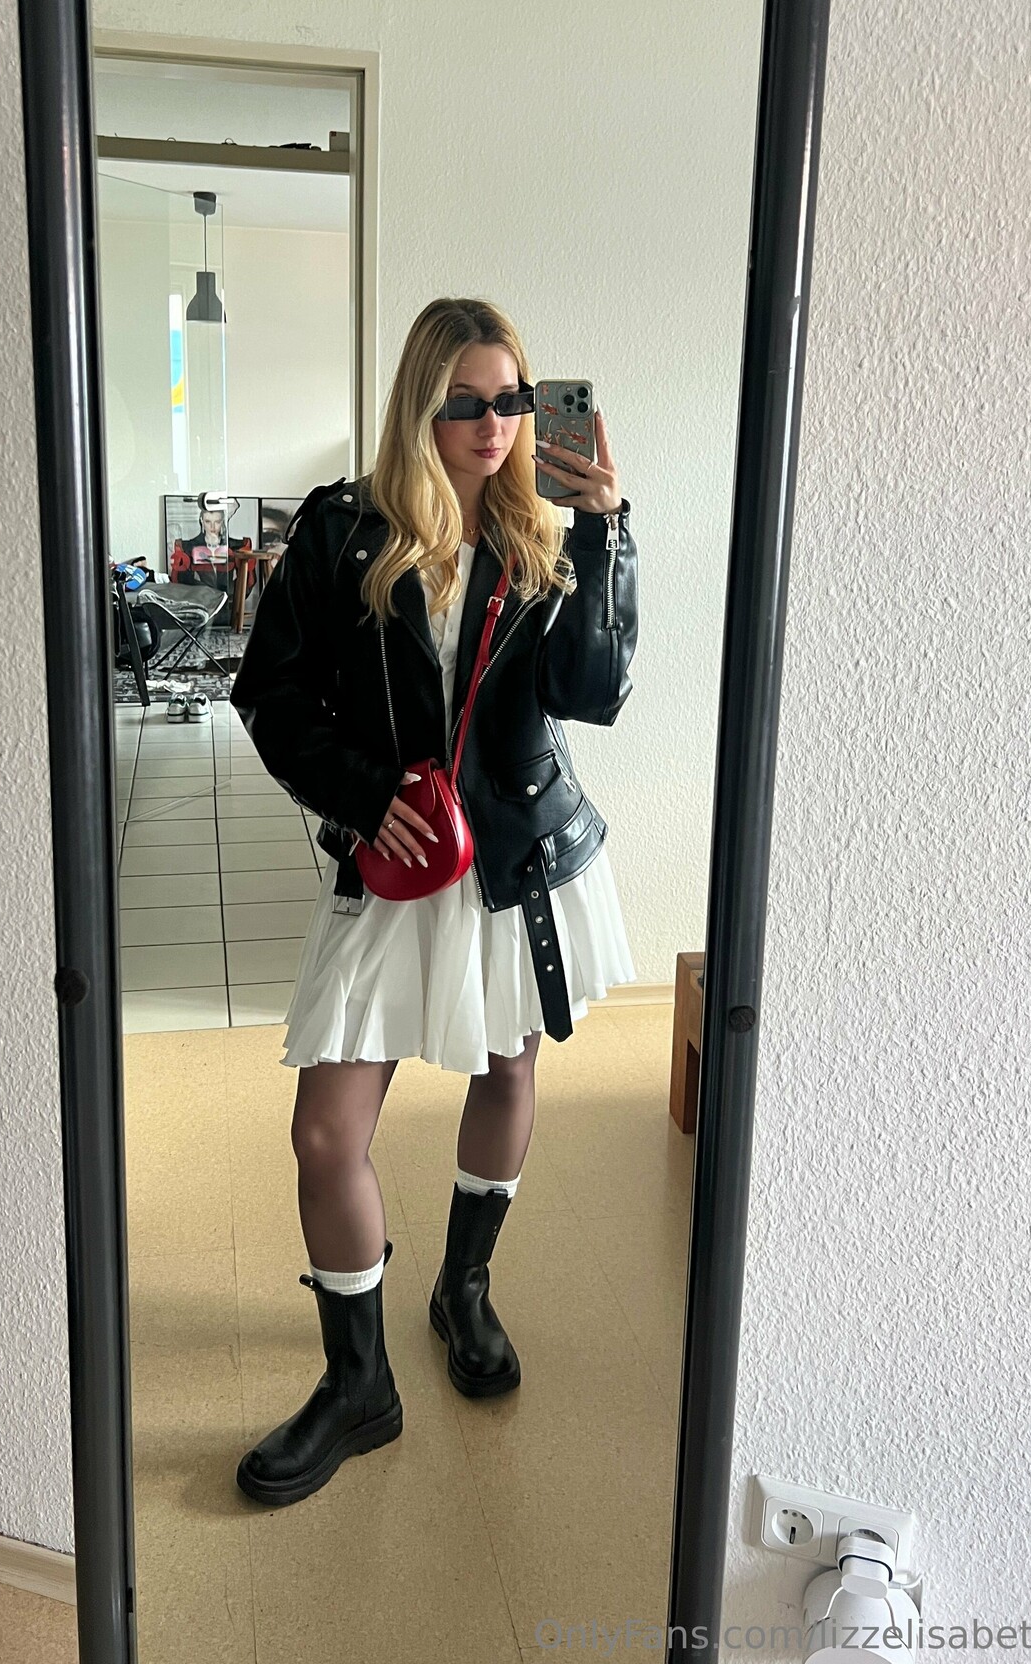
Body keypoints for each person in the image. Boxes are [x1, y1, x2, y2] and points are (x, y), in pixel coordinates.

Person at [229, 297, 639, 1507]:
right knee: (325, 1132)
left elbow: (596, 692)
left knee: (507, 1075)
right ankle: (358, 1384)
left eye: (512, 400)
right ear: (422, 404)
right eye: (467, 402)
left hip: (514, 860)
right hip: (400, 858)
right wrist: (363, 796)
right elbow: (270, 694)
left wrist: (609, 531)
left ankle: (463, 1287)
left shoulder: (548, 538)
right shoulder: (342, 529)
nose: (495, 425)